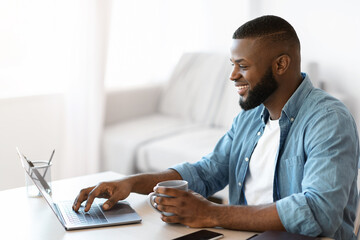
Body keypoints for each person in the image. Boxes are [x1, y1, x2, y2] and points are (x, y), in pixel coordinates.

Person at [73, 15, 359, 240]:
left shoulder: (328, 119)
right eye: (232, 64)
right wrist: (130, 184)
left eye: (243, 66)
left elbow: (319, 213)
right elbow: (206, 172)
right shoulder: (249, 117)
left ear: (281, 64)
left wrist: (211, 214)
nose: (233, 75)